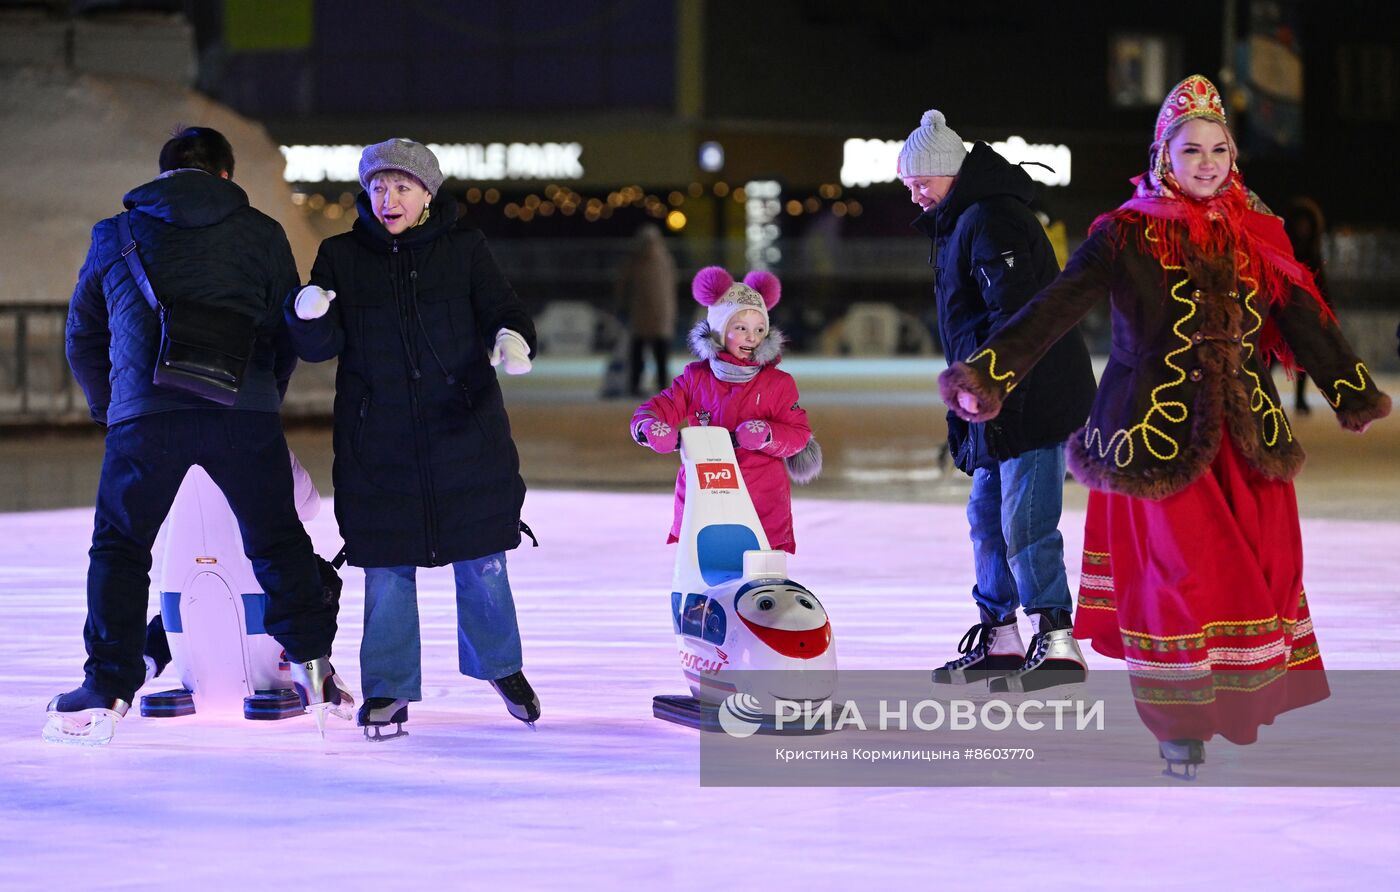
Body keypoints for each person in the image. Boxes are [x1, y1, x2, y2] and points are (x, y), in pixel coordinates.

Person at [938, 75, 1391, 776]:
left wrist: (1349, 390)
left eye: (1218, 149)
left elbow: (1302, 317)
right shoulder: (1127, 234)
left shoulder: (1255, 234)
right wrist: (991, 374)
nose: (1207, 163)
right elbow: (1056, 307)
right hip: (1153, 438)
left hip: (1247, 440)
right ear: (1163, 158)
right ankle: (1177, 721)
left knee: (1259, 576)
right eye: (1191, 151)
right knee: (1175, 581)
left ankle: (1229, 701)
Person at [54, 126, 348, 745]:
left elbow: (82, 336)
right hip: (242, 410)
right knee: (276, 538)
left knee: (121, 548)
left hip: (145, 417)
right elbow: (282, 331)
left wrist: (116, 410)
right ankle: (312, 665)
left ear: (163, 173)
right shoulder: (263, 233)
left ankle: (108, 682)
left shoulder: (116, 233)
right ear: (225, 176)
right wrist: (262, 398)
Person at [287, 138, 541, 737]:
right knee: (386, 565)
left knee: (482, 557)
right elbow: (319, 350)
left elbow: (501, 307)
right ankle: (388, 688)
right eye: (378, 187)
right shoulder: (341, 256)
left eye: (401, 186)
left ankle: (501, 667)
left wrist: (510, 336)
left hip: (465, 430)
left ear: (427, 194)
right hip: (380, 441)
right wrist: (310, 312)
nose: (388, 198)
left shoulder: (464, 249)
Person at [898, 109, 1097, 692]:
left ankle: (1057, 639)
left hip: (1026, 395)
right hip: (989, 396)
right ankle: (1000, 636)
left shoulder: (993, 218)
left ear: (947, 172)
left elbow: (1015, 313)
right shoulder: (963, 220)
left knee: (1025, 521)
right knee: (987, 519)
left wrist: (997, 384)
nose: (912, 190)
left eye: (919, 179)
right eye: (908, 180)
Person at [631, 267, 821, 554]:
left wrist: (768, 434)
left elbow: (798, 435)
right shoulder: (696, 378)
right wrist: (649, 428)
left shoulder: (777, 384)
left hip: (762, 502)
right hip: (706, 498)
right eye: (740, 328)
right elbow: (658, 408)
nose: (751, 337)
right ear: (720, 332)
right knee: (707, 568)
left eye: (759, 329)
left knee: (758, 576)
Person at [616, 223, 677, 396]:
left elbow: (669, 290)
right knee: (641, 355)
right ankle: (639, 385)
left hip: (656, 316)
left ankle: (660, 387)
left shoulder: (661, 260)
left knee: (658, 355)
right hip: (644, 315)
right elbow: (623, 286)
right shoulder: (639, 261)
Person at [1282, 196, 1328, 415]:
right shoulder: (1282, 247)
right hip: (1280, 309)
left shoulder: (1312, 254)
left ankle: (1299, 398)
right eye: (1299, 223)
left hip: (1303, 314)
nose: (1302, 228)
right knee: (1268, 358)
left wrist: (1325, 311)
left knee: (1303, 359)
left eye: (1306, 224)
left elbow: (1320, 284)